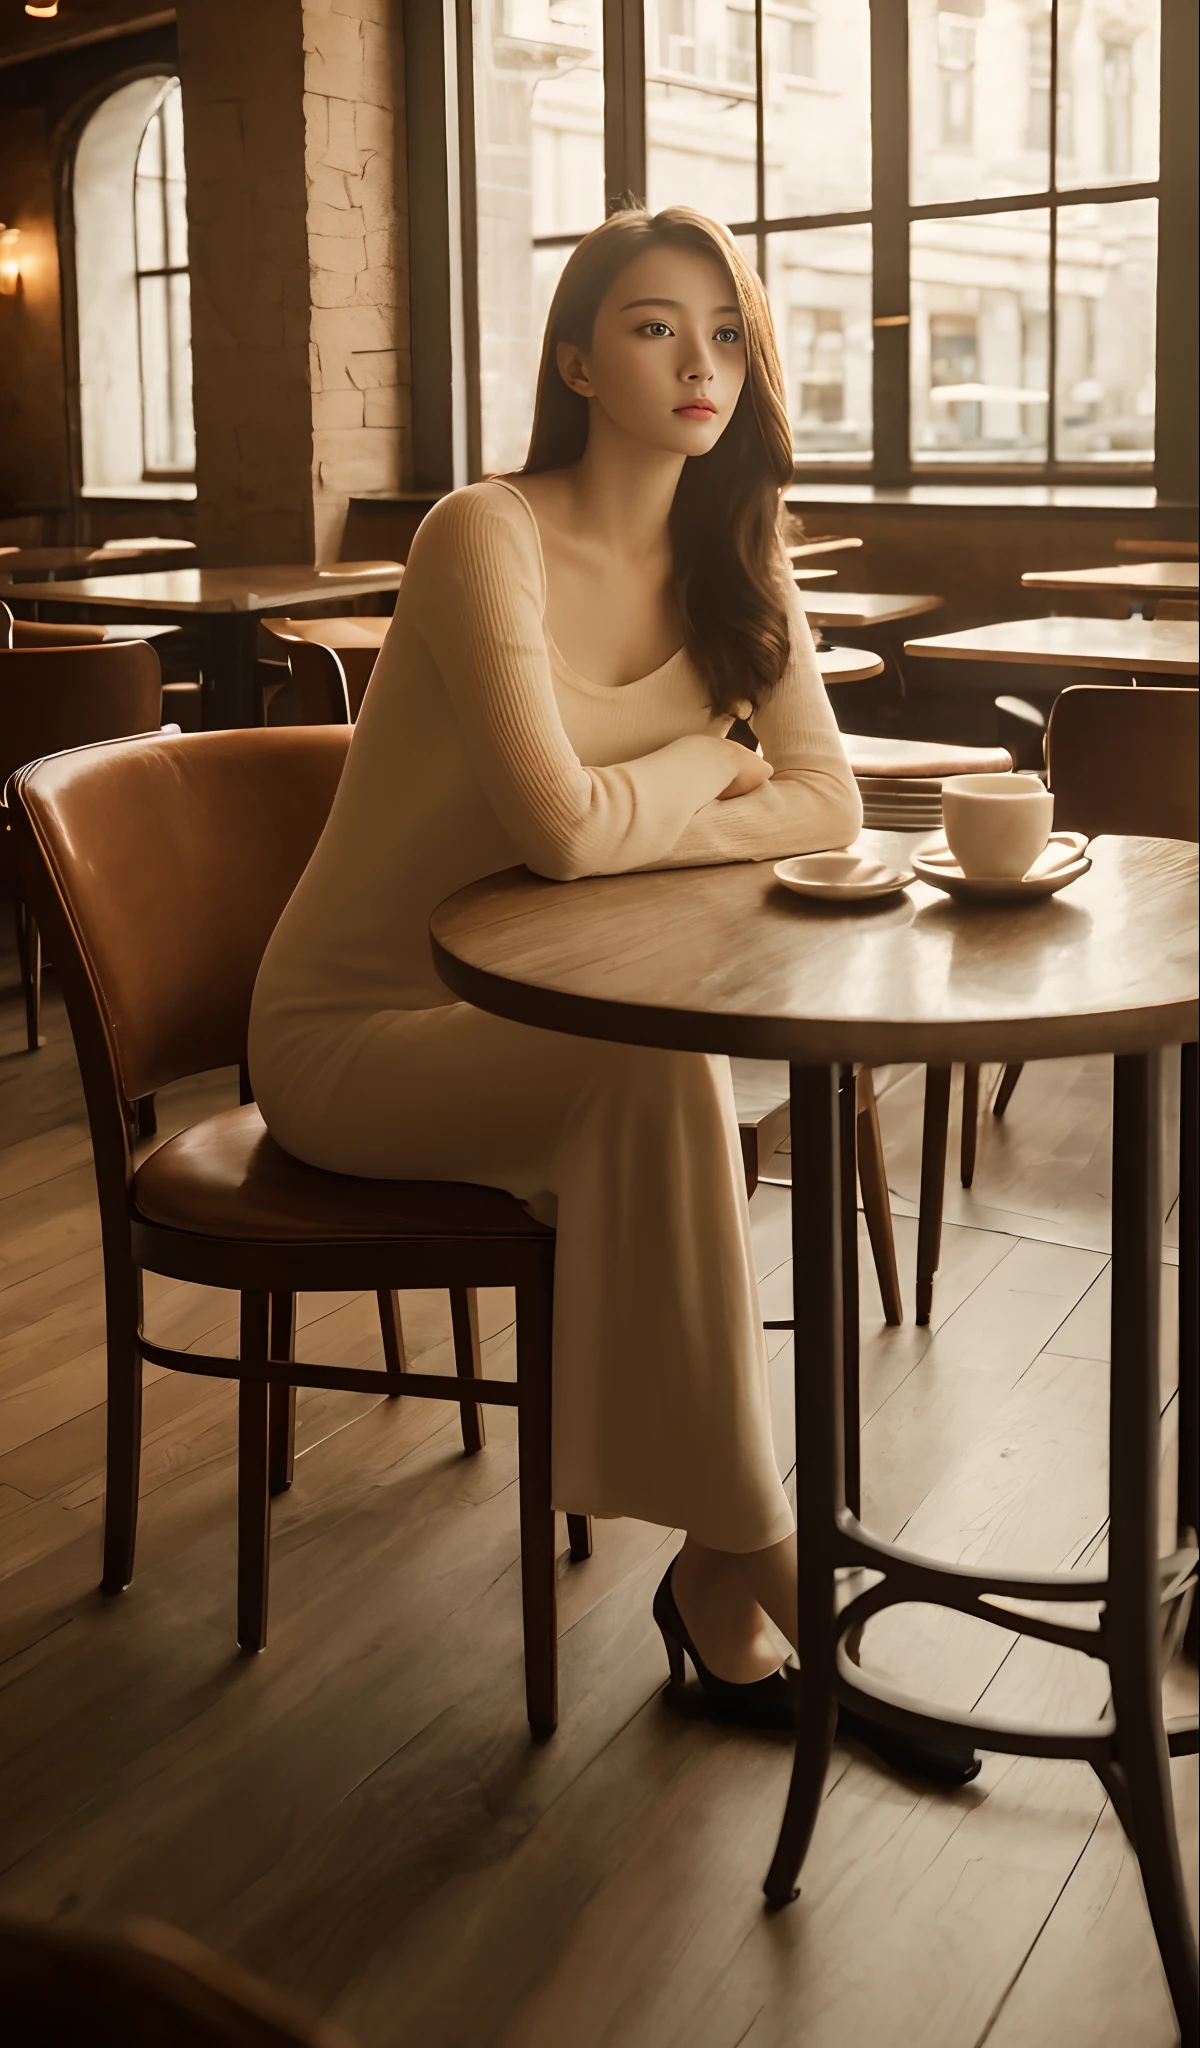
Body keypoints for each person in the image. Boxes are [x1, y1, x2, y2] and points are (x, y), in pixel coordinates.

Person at [249, 205, 975, 1781]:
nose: (699, 361)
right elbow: (560, 836)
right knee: (658, 1083)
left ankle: (729, 1576)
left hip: (537, 1020)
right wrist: (713, 762)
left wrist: (672, 791)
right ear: (578, 357)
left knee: (664, 1079)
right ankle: (770, 1564)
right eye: (654, 326)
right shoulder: (480, 532)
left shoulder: (739, 549)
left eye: (725, 330)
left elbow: (829, 805)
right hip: (354, 1031)